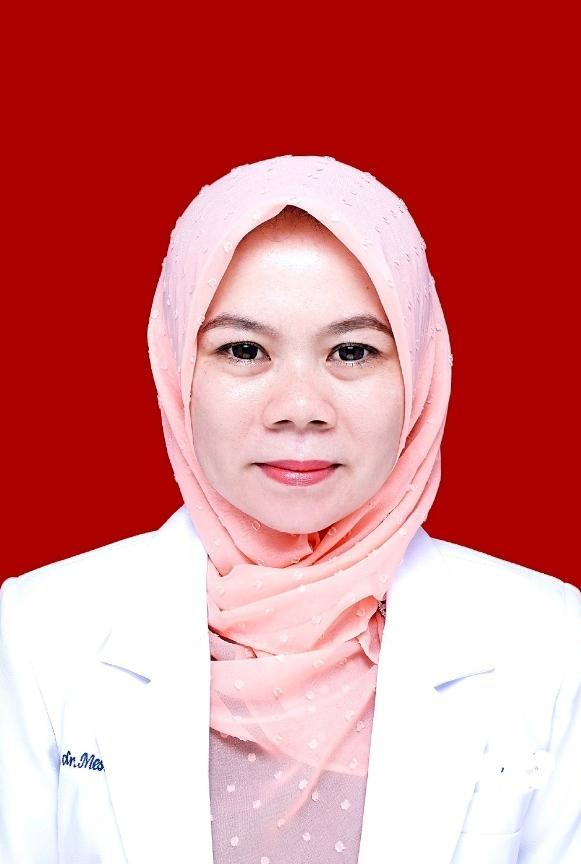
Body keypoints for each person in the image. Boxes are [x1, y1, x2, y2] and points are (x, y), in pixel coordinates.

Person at [0, 154, 579, 864]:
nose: (300, 408)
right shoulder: (40, 631)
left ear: (421, 371)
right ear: (177, 368)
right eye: (244, 349)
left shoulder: (550, 642)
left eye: (352, 351)